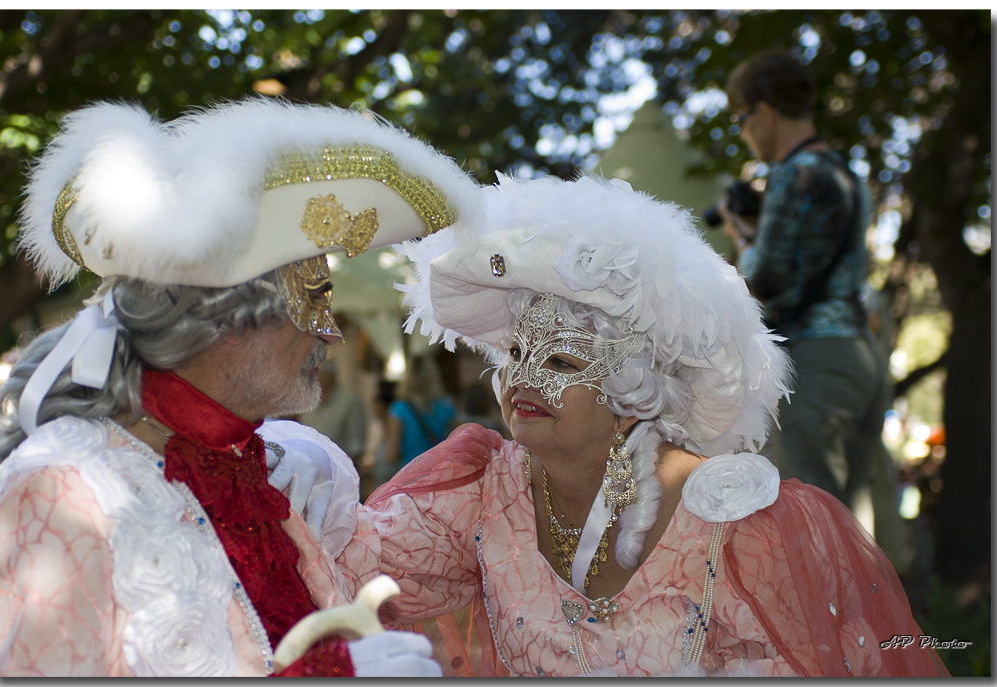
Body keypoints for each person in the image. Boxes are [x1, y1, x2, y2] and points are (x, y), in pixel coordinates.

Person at [330, 174, 946, 676]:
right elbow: (341, 568)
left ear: (632, 390)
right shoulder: (480, 495)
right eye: (516, 354)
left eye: (562, 361)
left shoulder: (743, 528)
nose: (523, 378)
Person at [0, 98, 482, 677]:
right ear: (228, 316)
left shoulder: (261, 469)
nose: (330, 336)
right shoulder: (64, 486)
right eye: (315, 300)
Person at [719, 49, 887, 517]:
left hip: (815, 360)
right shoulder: (844, 172)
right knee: (849, 523)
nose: (743, 132)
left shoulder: (795, 174)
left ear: (766, 113)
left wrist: (740, 236)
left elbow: (764, 279)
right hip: (860, 358)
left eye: (742, 119)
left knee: (811, 523)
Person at [384, 354, 455, 469]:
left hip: (412, 476)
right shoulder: (446, 407)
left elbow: (390, 456)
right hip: (440, 473)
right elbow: (457, 446)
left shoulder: (399, 409)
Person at [297, 361, 368, 469]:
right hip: (310, 466)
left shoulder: (350, 401)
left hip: (338, 468)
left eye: (318, 374)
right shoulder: (307, 399)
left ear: (330, 376)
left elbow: (355, 444)